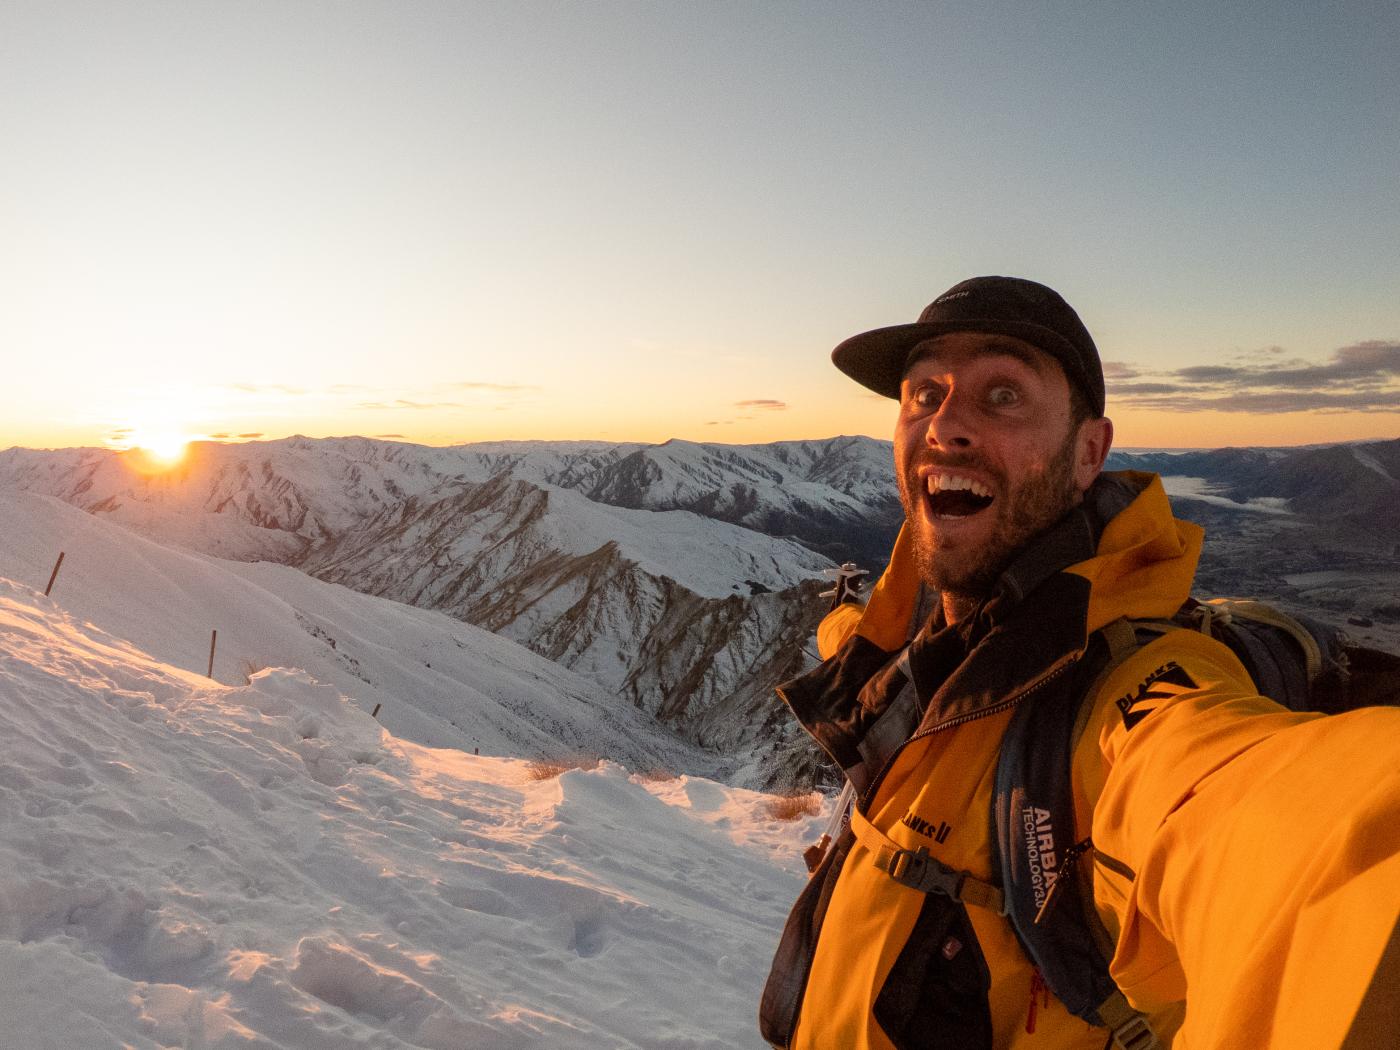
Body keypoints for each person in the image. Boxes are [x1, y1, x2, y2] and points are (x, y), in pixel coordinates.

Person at [759, 276, 1399, 1050]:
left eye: (1003, 395)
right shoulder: (924, 640)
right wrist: (840, 622)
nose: (945, 424)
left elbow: (1260, 813)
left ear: (1089, 451)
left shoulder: (1125, 702)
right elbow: (863, 638)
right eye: (923, 393)